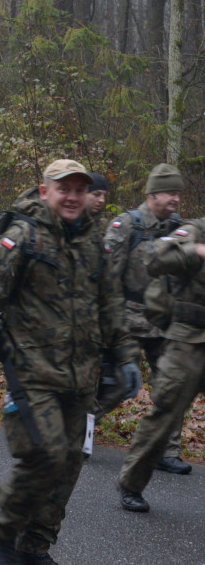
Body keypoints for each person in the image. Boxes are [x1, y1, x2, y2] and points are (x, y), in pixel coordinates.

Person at [0, 159, 139, 564]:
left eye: (80, 189)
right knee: (45, 455)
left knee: (69, 467)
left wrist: (126, 355)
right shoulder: (22, 236)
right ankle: (0, 534)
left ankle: (35, 546)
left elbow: (110, 303)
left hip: (81, 377)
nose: (73, 196)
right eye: (64, 189)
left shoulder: (93, 242)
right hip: (33, 373)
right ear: (45, 192)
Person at [100, 164, 191, 475]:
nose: (176, 199)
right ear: (152, 193)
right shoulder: (127, 225)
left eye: (178, 193)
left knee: (171, 387)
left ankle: (166, 451)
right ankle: (78, 433)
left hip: (164, 322)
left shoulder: (181, 229)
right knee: (115, 387)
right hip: (126, 319)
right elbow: (108, 279)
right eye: (169, 192)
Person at [117, 213, 205, 512]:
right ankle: (131, 483)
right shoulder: (195, 230)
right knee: (165, 414)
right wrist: (195, 250)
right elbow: (155, 259)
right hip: (188, 342)